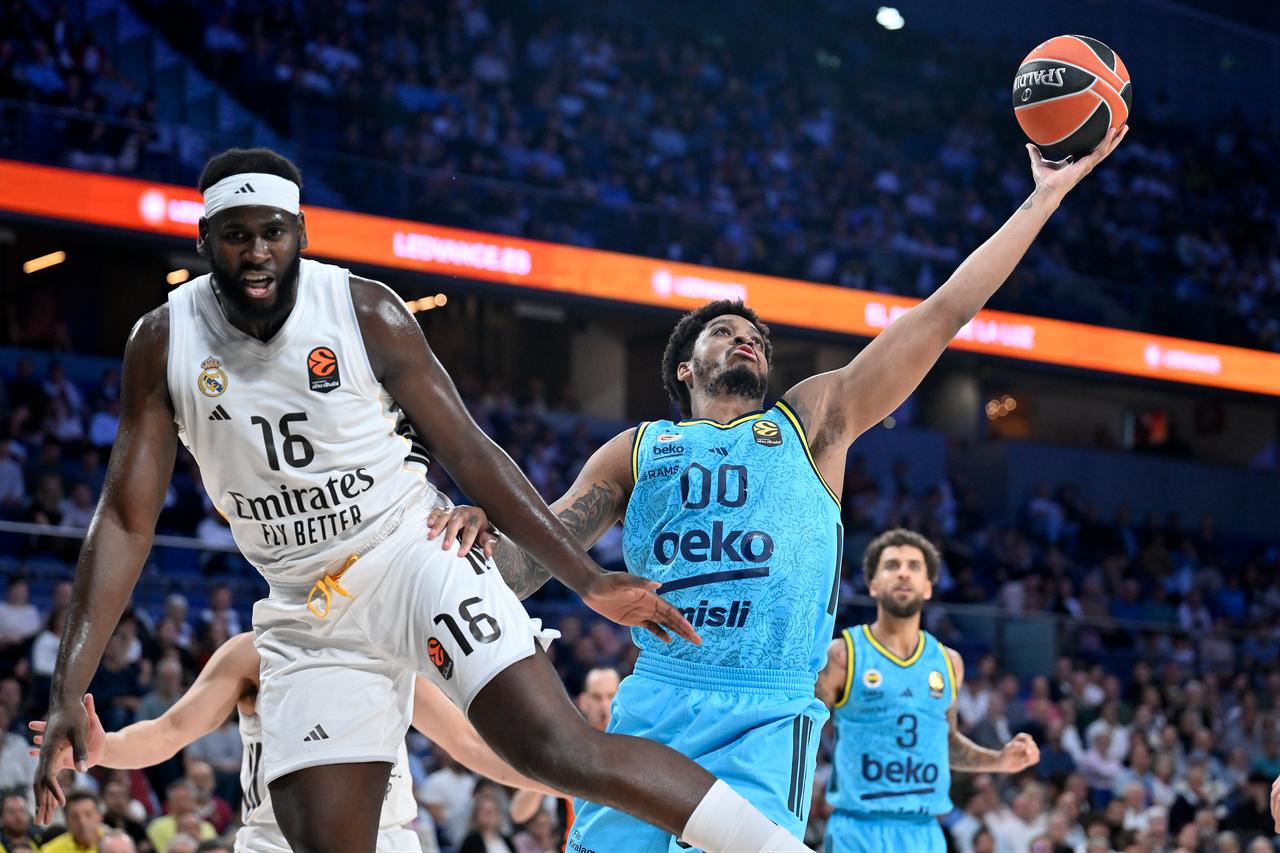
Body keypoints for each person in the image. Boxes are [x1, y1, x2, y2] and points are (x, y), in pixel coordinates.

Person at [33, 147, 811, 853]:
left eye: (273, 230)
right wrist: (71, 683)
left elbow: (470, 450)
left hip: (411, 553)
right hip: (308, 606)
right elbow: (129, 518)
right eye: (236, 234)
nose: (257, 250)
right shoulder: (163, 341)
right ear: (205, 242)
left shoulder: (364, 309)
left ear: (301, 232)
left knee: (558, 748)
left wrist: (587, 578)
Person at [455, 126, 1125, 851]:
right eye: (725, 331)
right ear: (684, 367)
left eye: (757, 338)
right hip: (657, 696)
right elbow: (531, 558)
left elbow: (939, 317)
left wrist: (1043, 198)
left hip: (766, 711)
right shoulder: (640, 448)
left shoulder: (812, 423)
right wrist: (464, 553)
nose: (747, 339)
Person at [32, 630, 561, 852]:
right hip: (278, 840)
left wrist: (565, 775)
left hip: (384, 839)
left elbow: (469, 746)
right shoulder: (254, 654)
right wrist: (103, 749)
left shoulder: (389, 649)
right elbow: (169, 732)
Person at [813, 529, 1040, 852]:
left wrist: (1000, 761)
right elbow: (801, 733)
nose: (904, 572)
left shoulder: (949, 663)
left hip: (924, 831)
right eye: (892, 565)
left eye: (914, 566)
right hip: (858, 828)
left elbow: (945, 743)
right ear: (873, 585)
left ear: (929, 587)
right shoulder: (843, 656)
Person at [38, 788, 104, 852]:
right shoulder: (49, 850)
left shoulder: (112, 843)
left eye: (88, 814)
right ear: (66, 820)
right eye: (75, 817)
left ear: (100, 816)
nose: (82, 821)